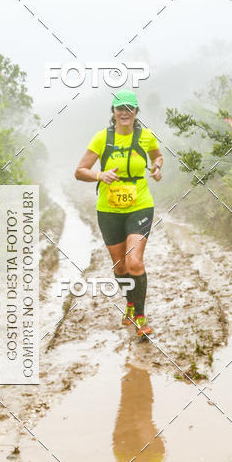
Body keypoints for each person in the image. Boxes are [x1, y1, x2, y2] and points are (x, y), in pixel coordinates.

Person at [75, 89, 163, 337]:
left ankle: (140, 318)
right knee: (121, 266)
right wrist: (100, 175)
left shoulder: (146, 137)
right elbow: (80, 170)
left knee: (134, 261)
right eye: (120, 108)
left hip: (140, 205)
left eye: (129, 108)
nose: (125, 112)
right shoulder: (102, 138)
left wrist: (156, 168)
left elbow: (158, 156)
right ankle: (130, 301)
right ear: (113, 113)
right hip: (109, 209)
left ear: (136, 112)